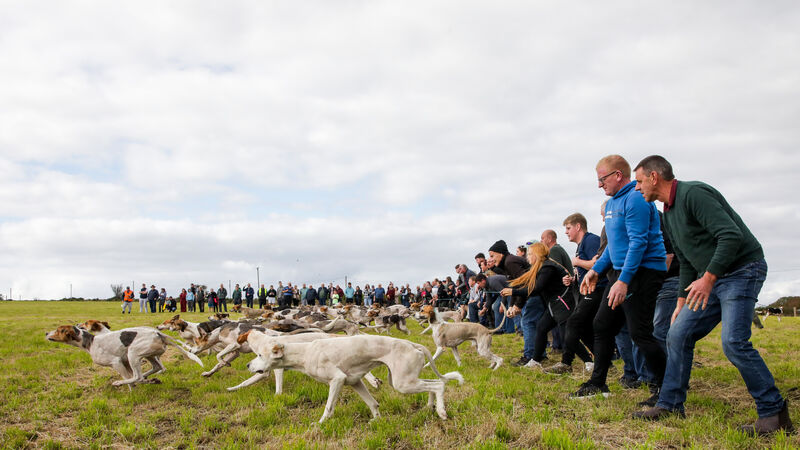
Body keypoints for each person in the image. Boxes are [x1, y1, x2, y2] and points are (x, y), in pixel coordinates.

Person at [630, 155, 792, 434]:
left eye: (639, 181)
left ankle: (774, 414)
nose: (636, 187)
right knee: (677, 334)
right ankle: (670, 404)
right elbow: (686, 260)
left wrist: (708, 278)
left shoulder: (694, 194)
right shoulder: (668, 212)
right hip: (711, 278)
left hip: (742, 271)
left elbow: (730, 235)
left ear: (654, 177)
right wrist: (681, 301)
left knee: (734, 342)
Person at [572, 154, 667, 406]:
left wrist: (624, 281)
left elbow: (638, 243)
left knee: (640, 333)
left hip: (642, 271)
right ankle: (598, 383)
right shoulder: (613, 203)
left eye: (602, 179)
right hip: (621, 272)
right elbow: (613, 248)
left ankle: (666, 390)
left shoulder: (636, 198)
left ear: (617, 175)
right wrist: (595, 271)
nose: (599, 185)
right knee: (602, 325)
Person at [545, 213, 604, 375]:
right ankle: (603, 361)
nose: (566, 232)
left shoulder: (591, 240)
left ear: (578, 227)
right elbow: (587, 269)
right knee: (583, 329)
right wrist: (573, 279)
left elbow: (598, 263)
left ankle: (566, 363)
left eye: (568, 228)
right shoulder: (581, 245)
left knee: (572, 323)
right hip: (586, 290)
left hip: (596, 289)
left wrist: (577, 262)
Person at [504, 241, 572, 369]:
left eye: (530, 254)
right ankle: (535, 360)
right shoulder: (539, 268)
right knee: (541, 328)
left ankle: (585, 362)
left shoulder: (547, 267)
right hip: (553, 305)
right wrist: (513, 301)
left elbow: (536, 289)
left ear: (537, 254)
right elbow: (525, 286)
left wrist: (513, 292)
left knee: (570, 336)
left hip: (562, 304)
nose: (527, 257)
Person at [487, 239, 530, 334]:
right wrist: (511, 306)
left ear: (501, 254)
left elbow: (523, 283)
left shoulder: (509, 262)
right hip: (527, 294)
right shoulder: (507, 263)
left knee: (528, 323)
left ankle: (531, 345)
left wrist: (518, 305)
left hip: (532, 294)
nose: (491, 259)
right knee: (528, 323)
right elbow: (514, 286)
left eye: (492, 256)